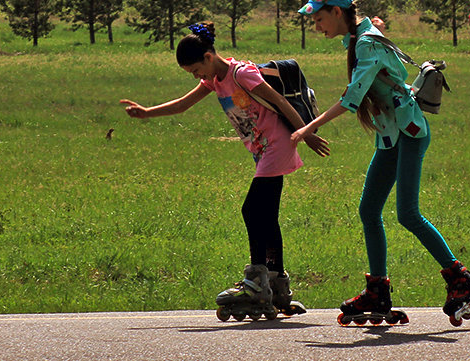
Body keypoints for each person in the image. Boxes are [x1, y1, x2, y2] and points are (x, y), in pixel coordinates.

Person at [291, 0, 470, 326]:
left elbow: (353, 96)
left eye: (320, 19)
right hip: (390, 136)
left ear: (337, 13)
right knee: (369, 210)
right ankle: (377, 290)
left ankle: (462, 281)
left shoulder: (365, 42)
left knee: (408, 214)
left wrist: (308, 127)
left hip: (408, 134)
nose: (317, 27)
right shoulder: (360, 37)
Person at [120, 22, 330, 319]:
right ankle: (276, 282)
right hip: (263, 150)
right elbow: (183, 105)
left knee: (250, 210)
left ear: (208, 56)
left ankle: (256, 282)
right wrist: (146, 112)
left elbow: (279, 101)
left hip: (278, 144)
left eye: (196, 70)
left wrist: (305, 133)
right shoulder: (215, 81)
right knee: (267, 216)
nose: (197, 77)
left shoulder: (241, 73)